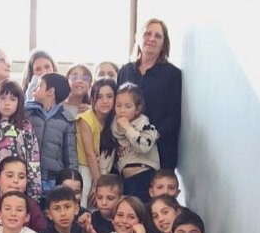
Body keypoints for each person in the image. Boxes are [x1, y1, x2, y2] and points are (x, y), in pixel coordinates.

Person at [118, 18, 183, 171]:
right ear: (138, 38)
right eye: (147, 34)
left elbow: (173, 116)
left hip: (158, 151)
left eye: (158, 36)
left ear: (164, 44)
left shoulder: (172, 74)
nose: (152, 39)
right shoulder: (125, 70)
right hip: (127, 151)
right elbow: (117, 107)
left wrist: (149, 137)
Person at [0, 81, 43, 201]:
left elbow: (33, 157)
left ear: (19, 102)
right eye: (2, 98)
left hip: (17, 183)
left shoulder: (25, 126)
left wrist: (34, 190)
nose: (7, 103)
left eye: (12, 99)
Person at [25, 73, 78, 194]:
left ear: (50, 91)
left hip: (54, 180)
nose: (34, 89)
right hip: (29, 176)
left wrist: (72, 179)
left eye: (39, 85)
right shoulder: (28, 113)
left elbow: (70, 155)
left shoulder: (66, 119)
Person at [112, 83, 161, 198]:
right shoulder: (114, 124)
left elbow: (144, 146)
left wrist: (128, 128)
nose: (122, 110)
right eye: (118, 105)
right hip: (124, 179)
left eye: (128, 106)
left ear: (137, 109)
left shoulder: (144, 124)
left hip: (143, 176)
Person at [76, 78, 118, 207]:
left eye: (109, 96)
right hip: (85, 169)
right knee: (83, 205)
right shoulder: (86, 118)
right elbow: (90, 154)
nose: (105, 101)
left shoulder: (114, 121)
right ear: (93, 99)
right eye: (99, 97)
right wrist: (99, 184)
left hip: (104, 170)